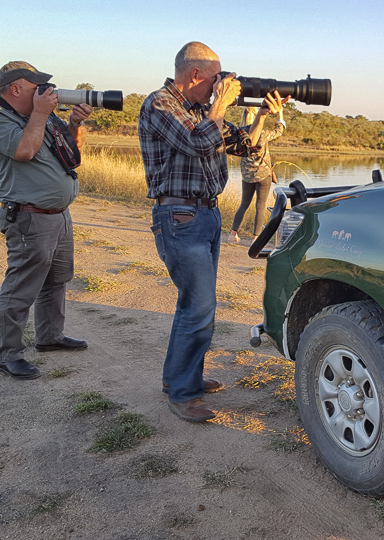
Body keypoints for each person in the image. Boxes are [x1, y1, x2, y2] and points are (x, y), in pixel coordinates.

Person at [138, 42, 284, 422]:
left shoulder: (201, 110)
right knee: (199, 307)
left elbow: (246, 145)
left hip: (205, 215)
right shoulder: (160, 104)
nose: (221, 86)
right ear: (195, 75)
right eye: (216, 79)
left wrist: (262, 117)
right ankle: (185, 394)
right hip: (179, 216)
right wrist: (220, 104)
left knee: (194, 304)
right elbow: (200, 141)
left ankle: (180, 379)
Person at [0, 61, 93, 380]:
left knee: (56, 280)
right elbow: (25, 151)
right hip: (29, 217)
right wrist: (40, 113)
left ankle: (50, 337)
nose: (45, 92)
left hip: (58, 214)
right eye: (35, 86)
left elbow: (71, 151)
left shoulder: (40, 118)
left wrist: (74, 124)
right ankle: (9, 354)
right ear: (14, 89)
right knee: (21, 286)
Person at [228, 103, 286, 244]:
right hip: (263, 174)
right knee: (260, 206)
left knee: (244, 204)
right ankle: (255, 238)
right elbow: (279, 130)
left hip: (247, 176)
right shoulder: (263, 133)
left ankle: (232, 234)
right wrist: (280, 113)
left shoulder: (239, 133)